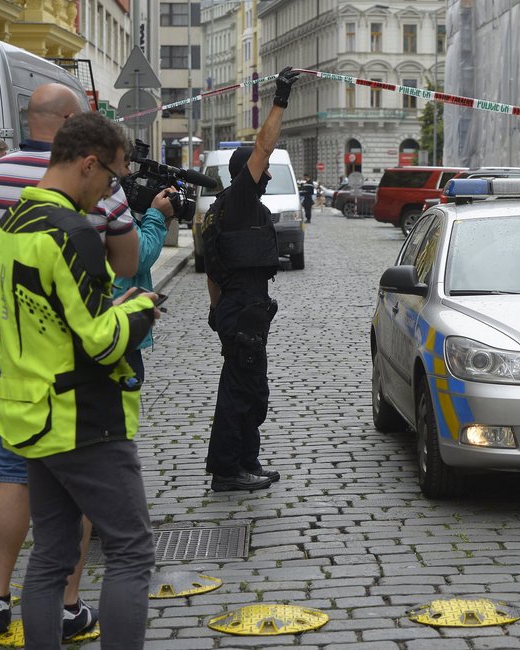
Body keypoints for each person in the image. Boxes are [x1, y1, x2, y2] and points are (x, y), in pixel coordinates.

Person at [0, 111, 158, 649]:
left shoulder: (11, 225)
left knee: (50, 556)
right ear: (88, 164)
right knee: (133, 550)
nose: (109, 190)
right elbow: (102, 341)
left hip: (29, 413)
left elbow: (50, 314)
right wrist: (139, 311)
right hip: (83, 420)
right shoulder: (73, 235)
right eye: (111, 178)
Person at [201, 66, 299, 492]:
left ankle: (246, 460)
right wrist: (280, 99)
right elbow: (263, 147)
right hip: (242, 312)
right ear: (248, 174)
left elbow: (212, 262)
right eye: (264, 170)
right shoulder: (239, 201)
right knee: (241, 392)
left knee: (251, 389)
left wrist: (214, 306)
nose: (270, 174)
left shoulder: (231, 210)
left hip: (241, 310)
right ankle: (227, 470)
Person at [112, 140, 177, 384]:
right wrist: (157, 214)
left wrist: (163, 218)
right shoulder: (109, 203)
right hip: (117, 324)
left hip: (117, 321)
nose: (129, 173)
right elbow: (139, 256)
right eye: (125, 164)